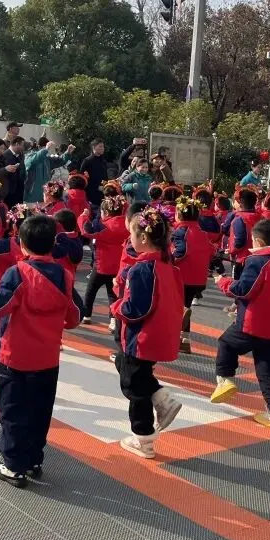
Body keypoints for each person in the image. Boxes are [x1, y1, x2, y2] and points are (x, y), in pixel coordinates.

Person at [0, 215, 80, 487]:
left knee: (13, 411)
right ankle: (34, 458)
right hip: (47, 358)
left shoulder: (19, 273)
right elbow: (73, 315)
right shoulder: (64, 275)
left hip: (15, 356)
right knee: (40, 410)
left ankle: (14, 465)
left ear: (22, 244)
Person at [211, 219, 270, 432]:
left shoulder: (259, 261)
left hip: (255, 322)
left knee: (226, 343)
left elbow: (244, 290)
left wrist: (223, 282)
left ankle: (225, 380)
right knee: (269, 369)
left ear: (259, 241)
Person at [111, 207, 185, 459]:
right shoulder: (166, 265)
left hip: (141, 336)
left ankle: (143, 437)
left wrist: (116, 306)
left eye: (132, 234)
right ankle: (162, 397)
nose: (130, 239)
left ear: (143, 237)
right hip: (156, 333)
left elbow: (136, 309)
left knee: (133, 386)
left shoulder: (144, 269)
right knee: (126, 366)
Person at [171, 197, 212, 354]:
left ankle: (176, 338)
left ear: (179, 215)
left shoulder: (181, 231)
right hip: (199, 278)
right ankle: (185, 340)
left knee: (177, 307)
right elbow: (212, 250)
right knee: (185, 306)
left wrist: (169, 260)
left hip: (183, 276)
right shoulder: (202, 233)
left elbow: (181, 251)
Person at [80, 196, 129, 326]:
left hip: (101, 265)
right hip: (118, 266)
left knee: (91, 291)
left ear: (106, 212)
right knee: (113, 293)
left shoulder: (103, 226)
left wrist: (84, 216)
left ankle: (87, 315)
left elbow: (86, 230)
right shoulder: (127, 225)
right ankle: (113, 319)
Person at [223, 188, 263, 279]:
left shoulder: (239, 219)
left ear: (240, 202)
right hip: (259, 258)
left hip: (242, 259)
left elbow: (240, 241)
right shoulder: (261, 217)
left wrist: (232, 250)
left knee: (238, 284)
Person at [23, 137, 75, 203]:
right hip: (31, 197)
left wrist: (68, 152)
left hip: (45, 196)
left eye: (48, 149)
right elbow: (34, 160)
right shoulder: (29, 156)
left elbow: (60, 161)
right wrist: (45, 149)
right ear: (39, 147)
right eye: (45, 148)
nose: (47, 151)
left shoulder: (47, 159)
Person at [78, 139, 109, 209]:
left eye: (103, 146)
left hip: (103, 194)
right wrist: (96, 187)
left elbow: (105, 176)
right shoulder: (87, 161)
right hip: (91, 196)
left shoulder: (103, 161)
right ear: (94, 147)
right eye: (100, 146)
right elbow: (82, 179)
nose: (102, 148)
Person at [2, 136, 27, 205]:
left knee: (20, 210)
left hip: (20, 190)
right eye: (22, 145)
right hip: (9, 191)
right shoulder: (5, 155)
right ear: (16, 144)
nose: (23, 147)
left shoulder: (21, 155)